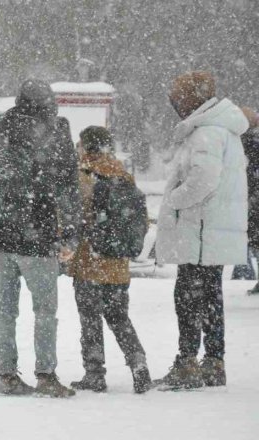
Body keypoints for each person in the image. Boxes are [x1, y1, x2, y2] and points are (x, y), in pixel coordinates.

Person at [0, 79, 80, 398]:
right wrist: (70, 232)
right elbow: (68, 188)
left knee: (5, 310)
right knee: (44, 310)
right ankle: (46, 374)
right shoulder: (56, 134)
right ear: (48, 103)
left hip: (1, 240)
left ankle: (7, 375)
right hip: (38, 238)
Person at [154, 71, 249, 390]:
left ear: (190, 99)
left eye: (177, 96)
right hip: (210, 229)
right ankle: (213, 362)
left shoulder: (206, 132)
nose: (174, 102)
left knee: (188, 296)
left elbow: (203, 181)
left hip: (200, 230)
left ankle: (187, 363)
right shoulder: (223, 129)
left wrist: (173, 199)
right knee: (210, 295)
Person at [67, 126, 152, 394]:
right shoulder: (123, 174)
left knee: (90, 318)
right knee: (118, 316)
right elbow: (140, 220)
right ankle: (139, 364)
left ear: (85, 146)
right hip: (117, 263)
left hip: (89, 259)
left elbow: (75, 218)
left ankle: (94, 373)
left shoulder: (84, 176)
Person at [240, 107, 259, 294]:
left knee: (251, 240)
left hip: (252, 198)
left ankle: (243, 274)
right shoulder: (250, 140)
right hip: (252, 198)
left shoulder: (248, 141)